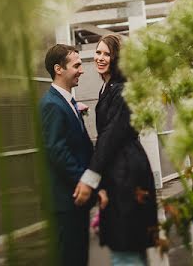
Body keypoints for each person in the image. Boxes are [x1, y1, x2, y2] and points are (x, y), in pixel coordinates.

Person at [74, 34, 158, 266]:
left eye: (107, 54)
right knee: (132, 247)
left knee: (125, 249)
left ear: (118, 58)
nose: (100, 58)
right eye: (98, 52)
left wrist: (89, 179)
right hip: (124, 169)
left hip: (126, 174)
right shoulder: (110, 87)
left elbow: (110, 138)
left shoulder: (121, 90)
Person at [39, 43, 106, 266]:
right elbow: (56, 150)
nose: (82, 70)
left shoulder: (66, 102)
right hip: (65, 201)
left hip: (73, 201)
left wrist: (75, 109)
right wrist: (84, 181)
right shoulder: (52, 105)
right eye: (76, 65)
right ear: (59, 69)